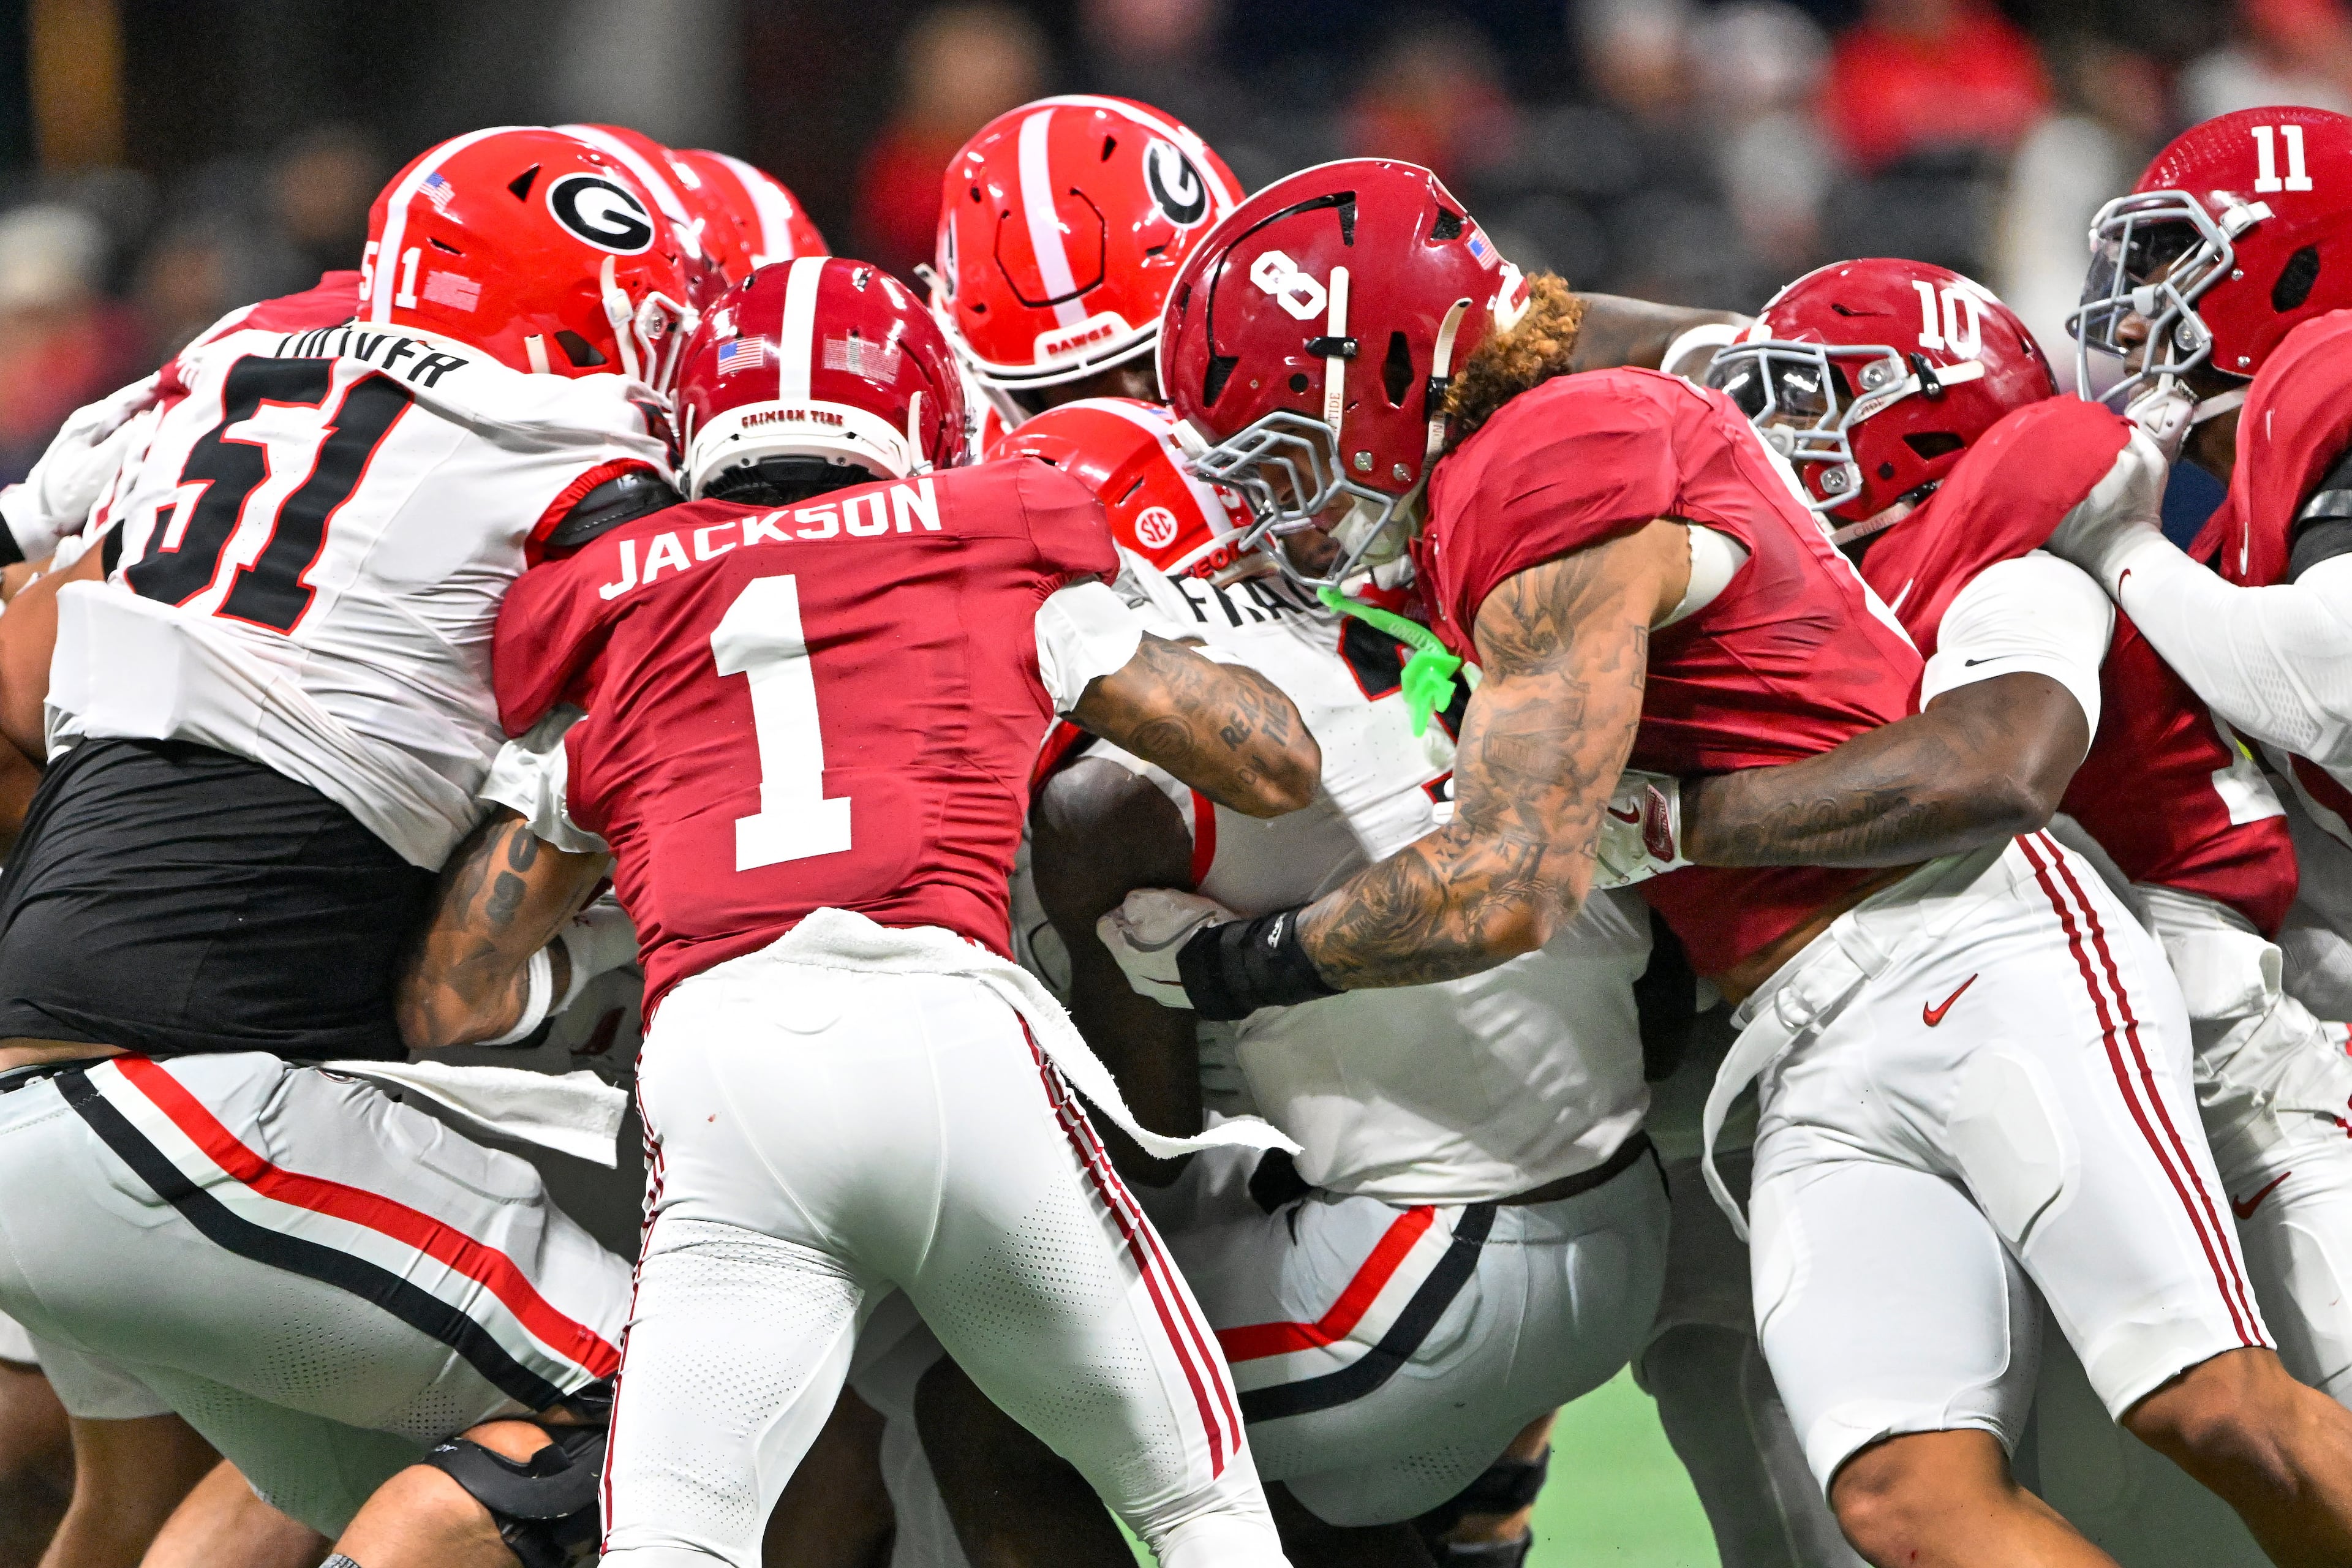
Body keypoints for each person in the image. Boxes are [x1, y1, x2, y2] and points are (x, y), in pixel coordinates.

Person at [1107, 158, 2352, 1568]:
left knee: (2212, 1403)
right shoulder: (1517, 457)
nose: (1282, 508)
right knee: (1904, 1504)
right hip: (1803, 1027)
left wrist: (1230, 962)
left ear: (1384, 371)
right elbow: (1626, 334)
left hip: (1971, 952)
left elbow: (1511, 875)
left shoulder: (1547, 459)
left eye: (1281, 447)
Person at [399, 255, 1321, 1568]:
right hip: (947, 1040)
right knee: (1197, 1507)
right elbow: (1274, 761)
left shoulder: (630, 613)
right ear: (926, 414)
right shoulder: (986, 546)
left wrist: (597, 950)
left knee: (672, 1538)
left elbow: (454, 996)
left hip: (722, 1070)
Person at [0, 126, 692, 1568]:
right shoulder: (571, 447)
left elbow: (24, 629)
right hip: (180, 1103)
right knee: (694, 1386)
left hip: (62, 1061)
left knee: (343, 1475)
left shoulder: (226, 366)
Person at [905, 394, 1667, 1568]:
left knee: (994, 1406)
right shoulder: (1378, 626)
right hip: (1620, 1199)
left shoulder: (1121, 780)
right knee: (1278, 1464)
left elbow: (1144, 1151)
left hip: (1439, 1262)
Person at [2043, 106, 2352, 1039]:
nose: (2135, 318)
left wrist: (2115, 542)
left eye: (2170, 266)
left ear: (2297, 268)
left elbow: (2324, 684)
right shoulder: (2250, 517)